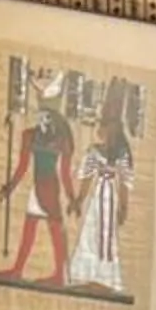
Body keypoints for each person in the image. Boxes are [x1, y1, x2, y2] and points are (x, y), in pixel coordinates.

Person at [0, 73, 76, 286]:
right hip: (39, 188)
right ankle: (19, 270)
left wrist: (72, 198)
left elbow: (65, 173)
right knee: (31, 228)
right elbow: (23, 167)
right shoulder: (29, 135)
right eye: (41, 114)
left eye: (47, 115)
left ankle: (58, 275)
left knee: (53, 230)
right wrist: (9, 187)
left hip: (49, 189)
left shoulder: (62, 138)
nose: (43, 118)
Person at [65, 84, 136, 297]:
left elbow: (124, 182)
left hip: (110, 199)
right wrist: (78, 200)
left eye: (105, 126)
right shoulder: (95, 151)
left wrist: (124, 206)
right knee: (91, 233)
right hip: (98, 200)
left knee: (107, 236)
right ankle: (86, 275)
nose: (101, 131)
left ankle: (105, 278)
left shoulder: (122, 154)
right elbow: (87, 178)